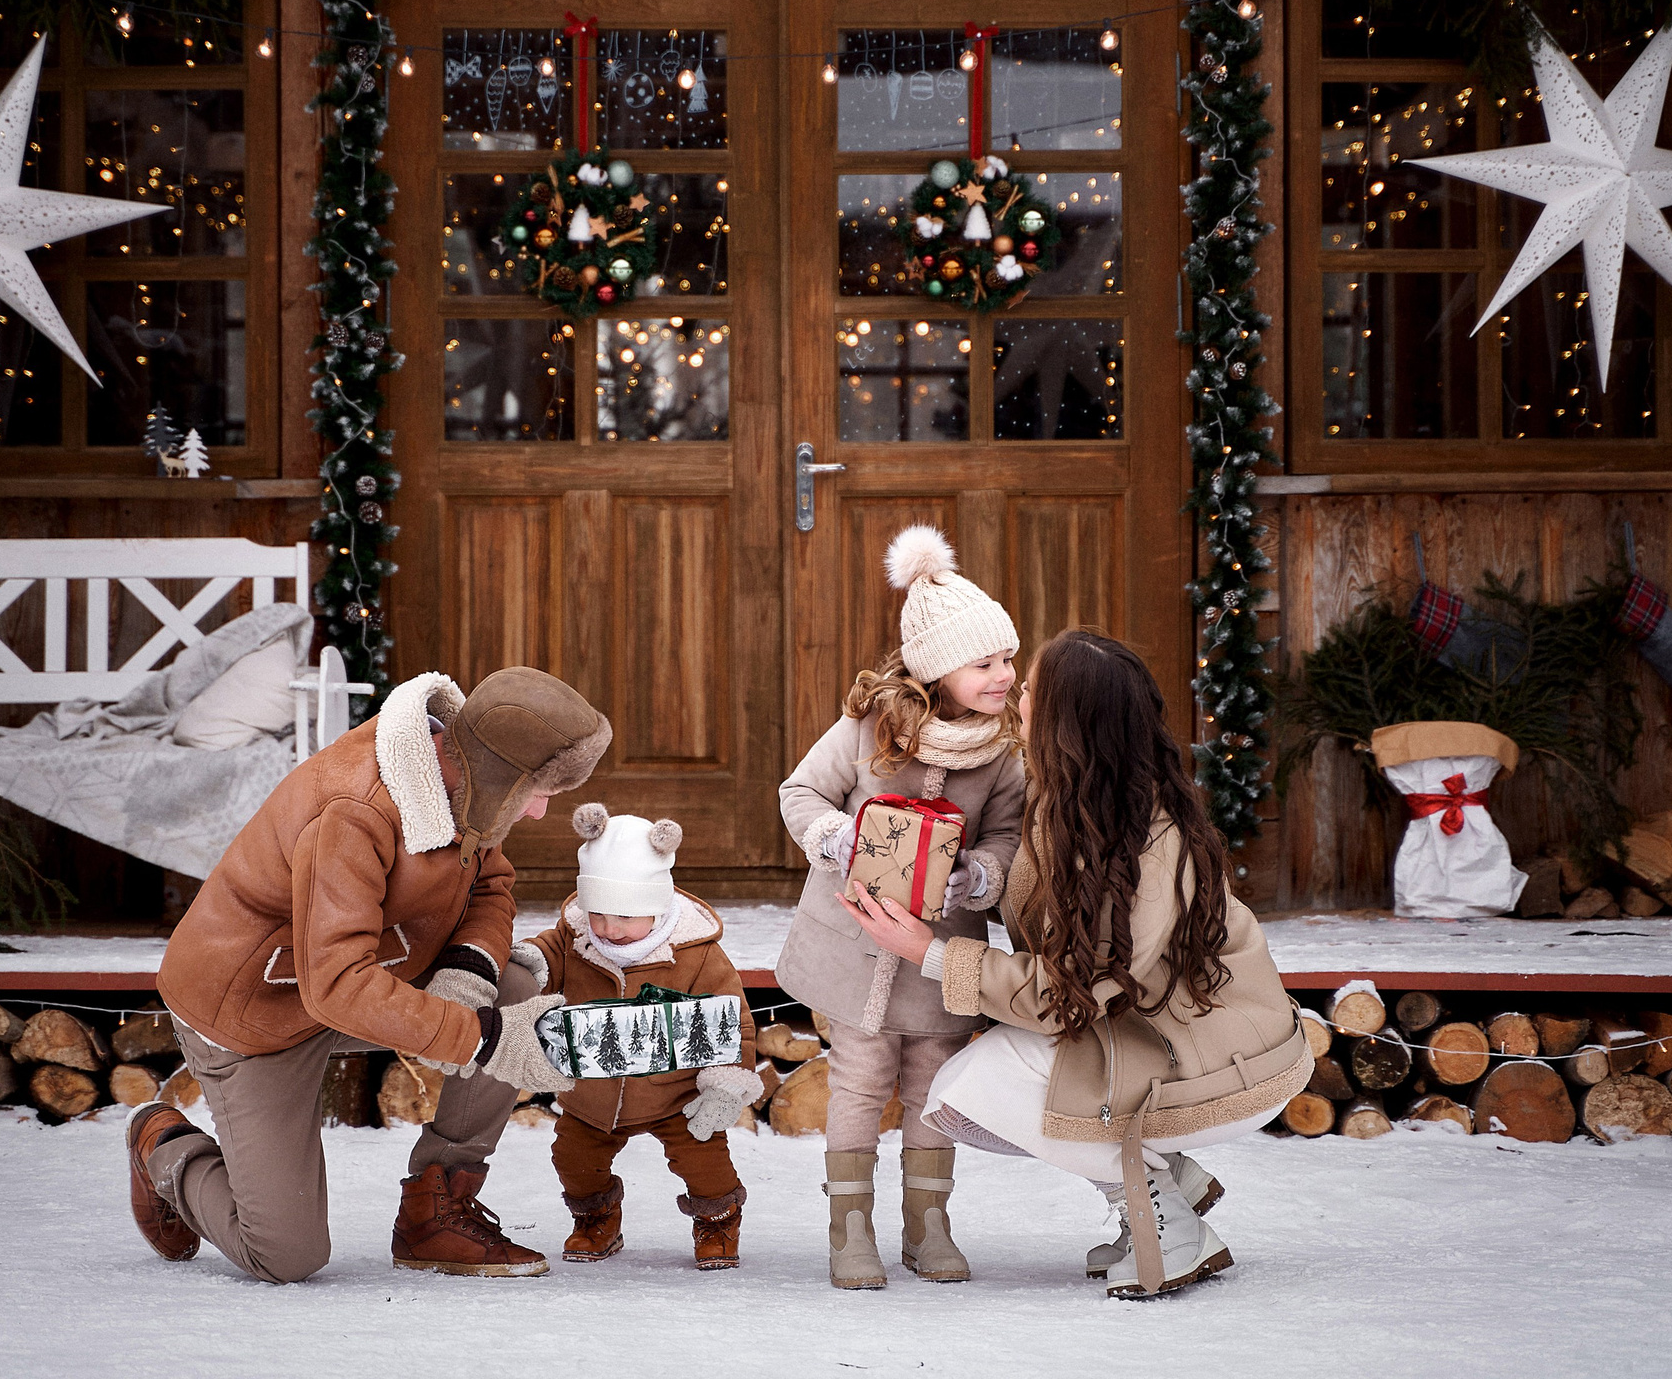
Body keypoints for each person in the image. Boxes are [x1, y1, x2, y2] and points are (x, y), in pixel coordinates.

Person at [845, 629, 1313, 1301]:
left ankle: (1164, 1219)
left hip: (1221, 1059)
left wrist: (931, 953)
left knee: (970, 1090)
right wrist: (970, 880)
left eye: (1032, 686)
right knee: (983, 1084)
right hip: (1152, 1030)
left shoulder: (1142, 840)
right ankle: (1166, 1178)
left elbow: (1069, 992)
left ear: (1067, 717)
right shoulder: (1073, 795)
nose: (1015, 692)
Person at [124, 666, 611, 1283]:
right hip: (255, 1010)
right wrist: (482, 1038)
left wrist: (465, 972)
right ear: (500, 774)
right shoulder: (353, 810)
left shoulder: (464, 784)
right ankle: (164, 1149)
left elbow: (492, 885)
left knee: (511, 986)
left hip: (363, 982)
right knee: (285, 1256)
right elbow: (335, 984)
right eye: (537, 790)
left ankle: (435, 1212)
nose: (540, 812)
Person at [776, 525, 1025, 1290]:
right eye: (986, 662)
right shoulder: (865, 731)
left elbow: (1012, 836)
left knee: (931, 1084)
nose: (1005, 674)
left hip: (936, 953)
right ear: (938, 669)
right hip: (853, 950)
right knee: (857, 1078)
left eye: (1008, 658)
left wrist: (977, 878)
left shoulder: (1003, 752)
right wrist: (837, 837)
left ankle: (929, 1224)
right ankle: (850, 1229)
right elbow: (799, 792)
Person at [517, 803, 766, 1270]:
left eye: (627, 917)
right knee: (573, 1159)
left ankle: (718, 1219)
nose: (611, 930)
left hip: (677, 1093)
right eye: (600, 914)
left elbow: (733, 1020)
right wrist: (531, 961)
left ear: (657, 905)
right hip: (593, 1097)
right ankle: (597, 1217)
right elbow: (548, 954)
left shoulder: (696, 955)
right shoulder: (574, 941)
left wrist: (727, 1082)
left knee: (705, 1162)